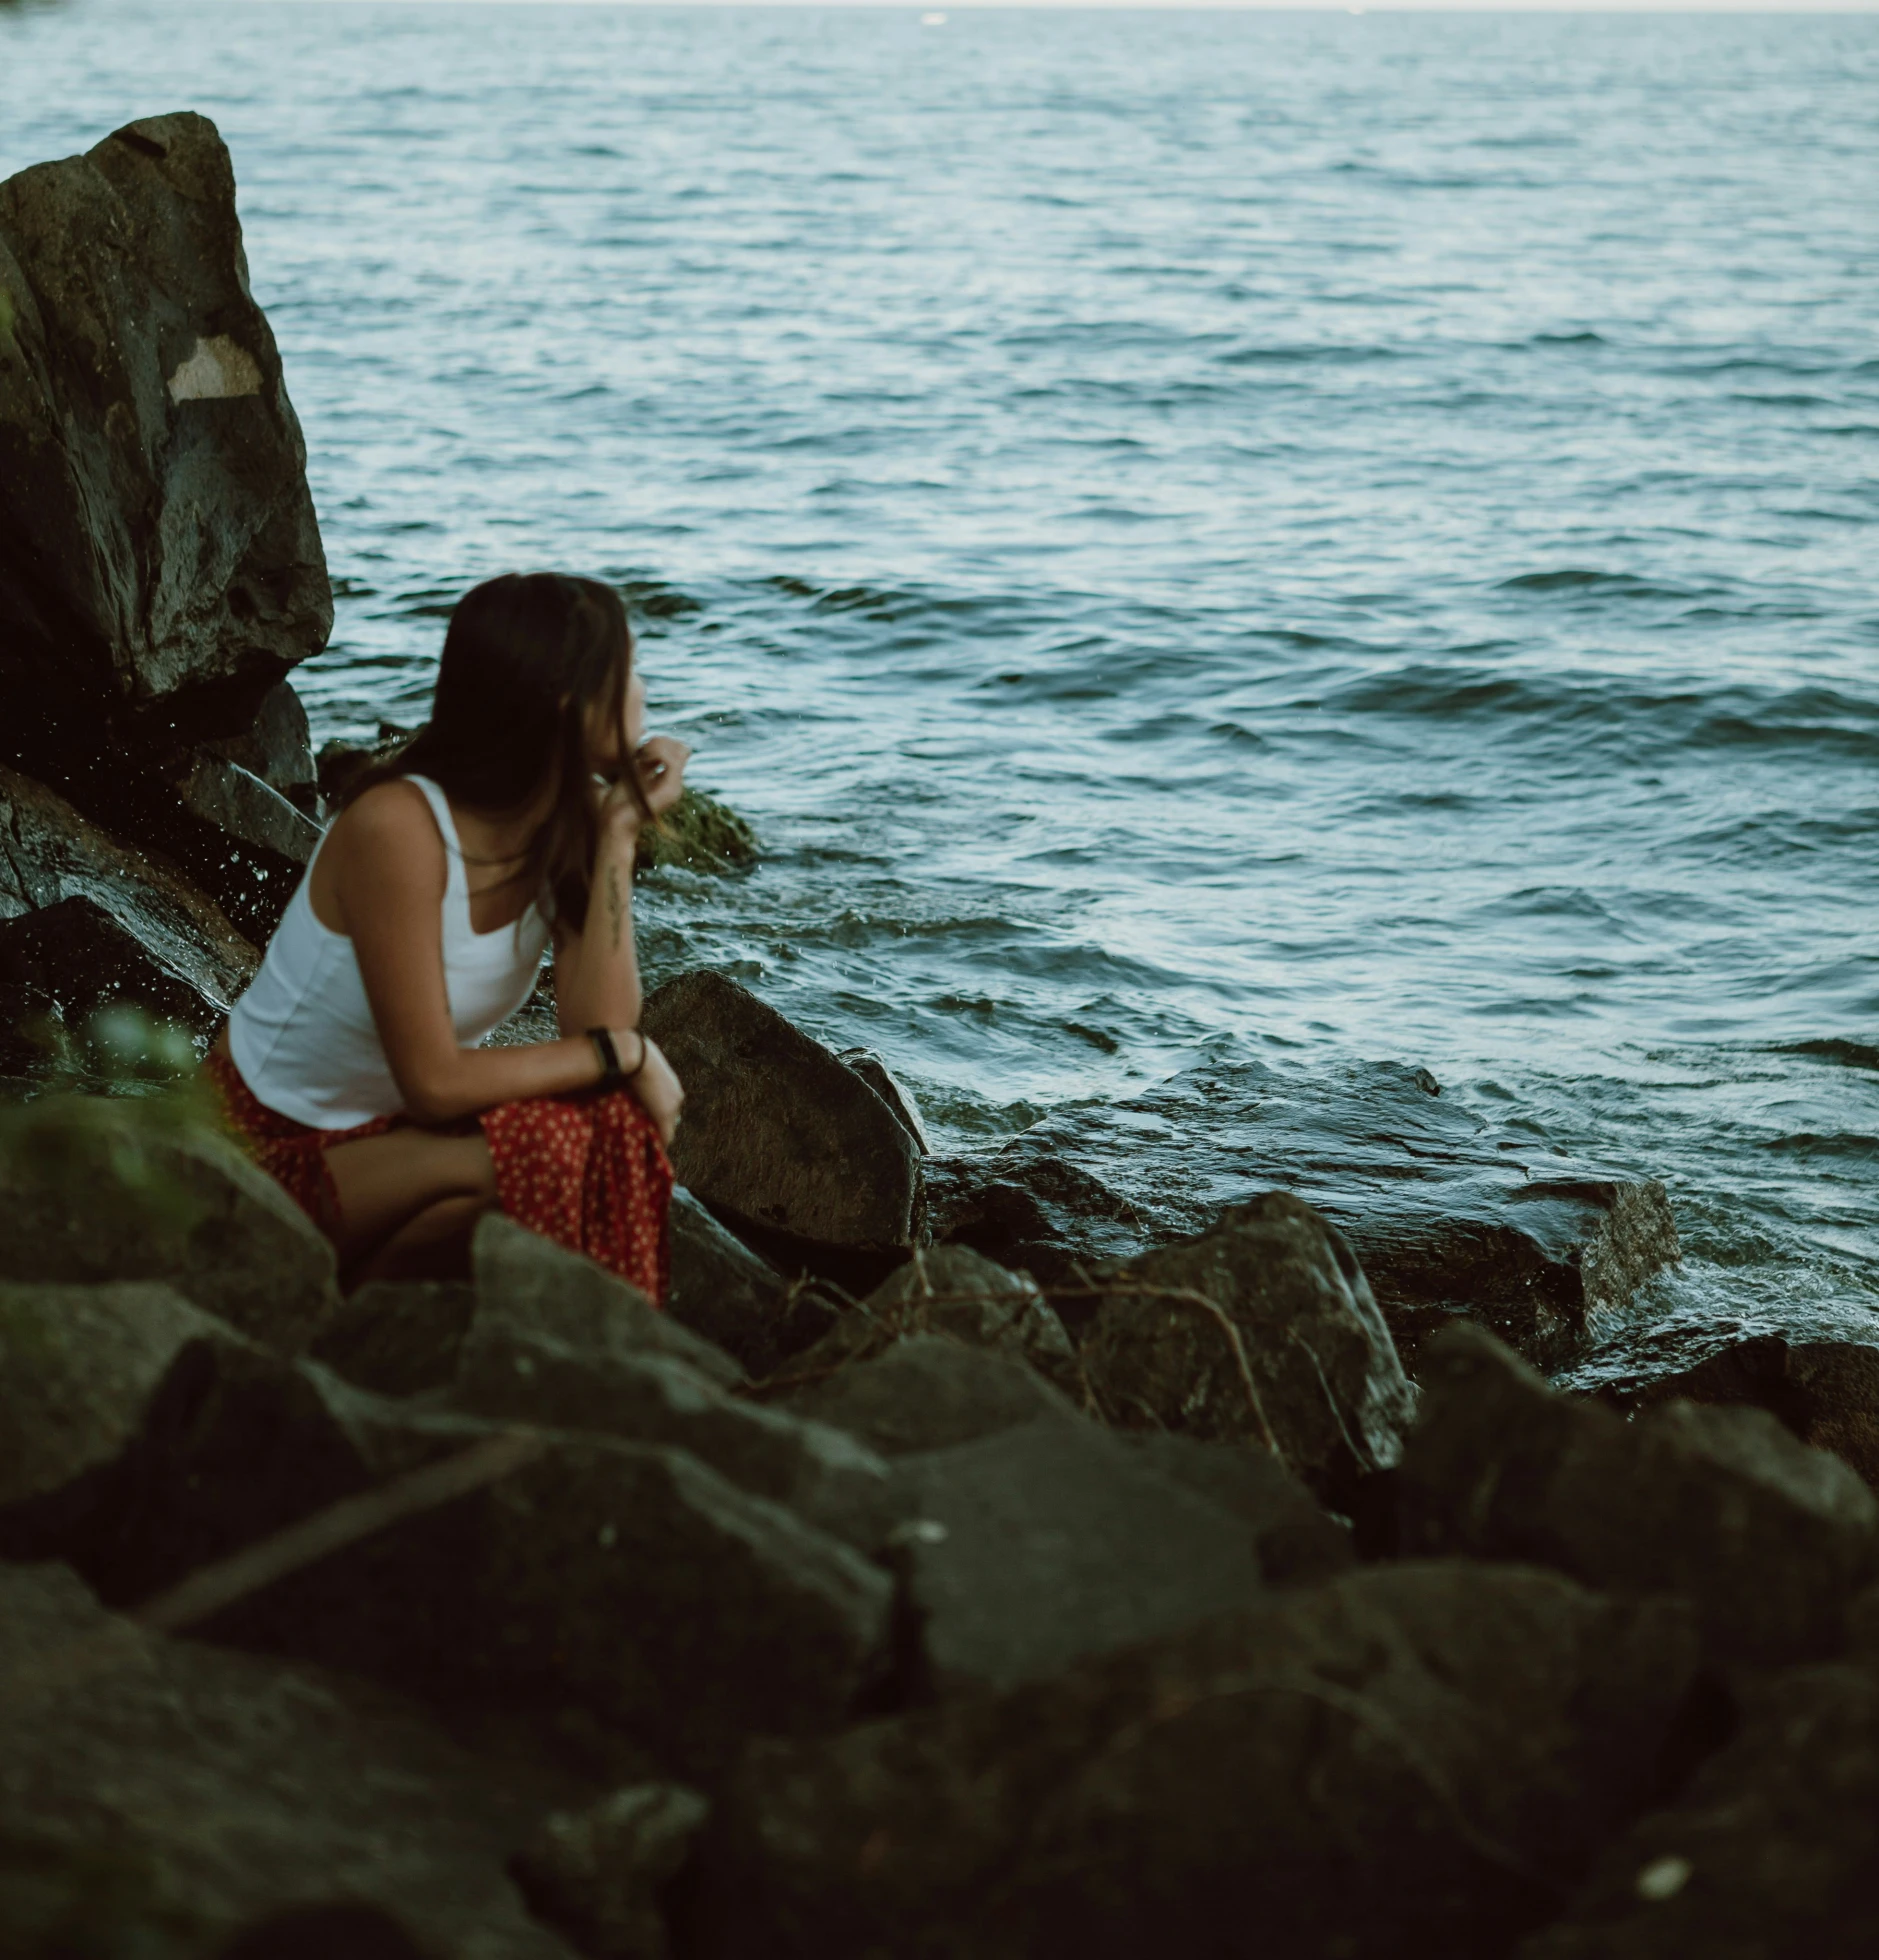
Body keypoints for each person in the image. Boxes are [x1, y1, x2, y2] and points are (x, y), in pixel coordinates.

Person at [207, 572, 688, 1300]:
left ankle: (352, 1319)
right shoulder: (398, 827)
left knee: (604, 1124)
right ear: (568, 703)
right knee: (571, 1144)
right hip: (263, 1151)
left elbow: (598, 1022)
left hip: (385, 1142)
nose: (643, 688)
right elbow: (437, 1084)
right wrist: (625, 1054)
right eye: (628, 670)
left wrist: (619, 834)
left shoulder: (563, 826)